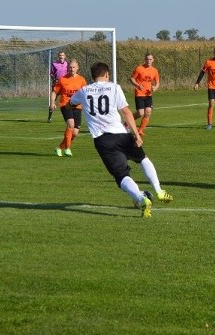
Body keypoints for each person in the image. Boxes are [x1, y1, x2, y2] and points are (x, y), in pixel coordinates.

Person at [70, 62, 173, 218]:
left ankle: (141, 198)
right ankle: (159, 191)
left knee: (122, 176)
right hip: (121, 135)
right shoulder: (114, 87)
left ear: (93, 76)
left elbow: (71, 102)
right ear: (107, 74)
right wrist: (137, 135)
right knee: (142, 159)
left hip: (102, 141)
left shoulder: (84, 90)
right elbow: (126, 111)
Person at [49, 59, 87, 156]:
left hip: (78, 106)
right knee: (71, 125)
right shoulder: (62, 79)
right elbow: (54, 92)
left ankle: (59, 147)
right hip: (66, 105)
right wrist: (52, 102)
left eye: (74, 67)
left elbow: (86, 94)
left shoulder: (82, 80)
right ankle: (67, 149)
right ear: (67, 68)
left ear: (77, 68)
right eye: (70, 67)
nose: (72, 69)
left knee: (75, 132)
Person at [129, 53, 160, 136]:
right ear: (144, 59)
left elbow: (157, 82)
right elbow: (131, 78)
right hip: (139, 94)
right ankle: (127, 122)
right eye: (147, 59)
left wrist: (155, 88)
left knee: (148, 112)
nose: (148, 61)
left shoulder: (154, 70)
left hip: (148, 94)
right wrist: (138, 85)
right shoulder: (139, 68)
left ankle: (140, 131)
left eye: (150, 59)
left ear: (153, 60)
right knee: (140, 113)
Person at [48, 51, 69, 122]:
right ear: (58, 56)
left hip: (65, 85)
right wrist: (54, 79)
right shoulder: (54, 64)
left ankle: (69, 117)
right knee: (52, 102)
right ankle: (49, 117)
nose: (61, 57)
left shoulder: (67, 64)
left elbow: (69, 73)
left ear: (65, 56)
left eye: (62, 55)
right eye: (60, 55)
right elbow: (51, 74)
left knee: (67, 101)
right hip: (56, 85)